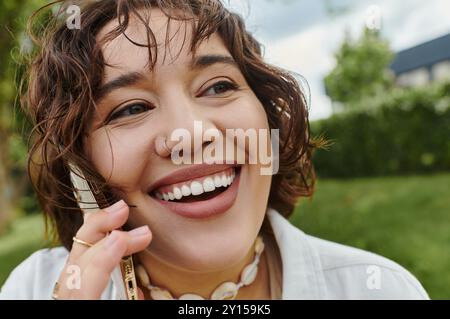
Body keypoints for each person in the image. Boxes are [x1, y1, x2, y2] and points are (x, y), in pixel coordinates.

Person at [0, 0, 428, 300]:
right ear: (79, 165)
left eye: (218, 86)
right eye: (130, 108)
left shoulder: (382, 290)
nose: (191, 133)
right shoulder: (33, 290)